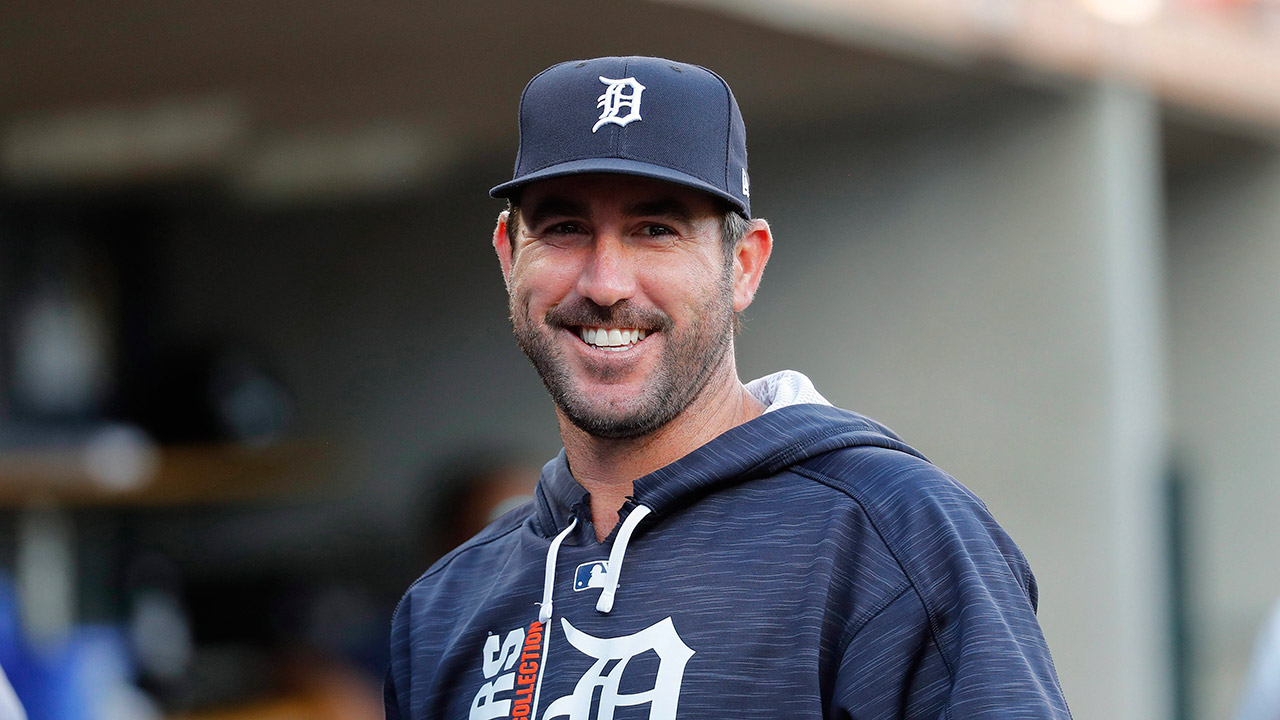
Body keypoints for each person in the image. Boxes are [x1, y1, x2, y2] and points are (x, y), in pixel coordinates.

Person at [385, 55, 1072, 719]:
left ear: (743, 266)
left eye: (656, 230)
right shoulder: (446, 606)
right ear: (509, 256)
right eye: (564, 229)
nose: (605, 283)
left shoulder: (894, 539)